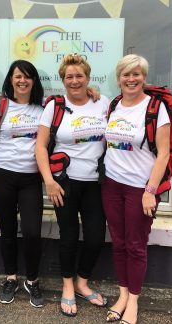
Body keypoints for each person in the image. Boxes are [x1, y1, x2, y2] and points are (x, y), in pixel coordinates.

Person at [35, 53, 109, 317]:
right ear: (63, 80)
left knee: (95, 237)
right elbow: (40, 147)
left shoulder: (104, 104)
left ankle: (82, 281)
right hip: (64, 183)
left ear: (88, 78)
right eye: (69, 77)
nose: (75, 81)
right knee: (68, 236)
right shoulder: (54, 107)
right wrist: (49, 182)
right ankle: (67, 286)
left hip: (95, 183)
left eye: (80, 76)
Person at [101, 54, 170, 324]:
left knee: (136, 245)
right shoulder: (114, 105)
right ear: (118, 79)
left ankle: (134, 301)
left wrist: (150, 190)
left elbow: (163, 154)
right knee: (118, 243)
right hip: (112, 185)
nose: (131, 79)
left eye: (136, 74)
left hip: (140, 189)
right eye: (126, 74)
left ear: (144, 77)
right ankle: (122, 294)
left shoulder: (155, 108)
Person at [0, 60, 45, 307]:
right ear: (11, 79)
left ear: (34, 81)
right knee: (7, 230)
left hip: (30, 178)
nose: (22, 81)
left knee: (32, 232)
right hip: (2, 174)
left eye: (28, 76)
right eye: (18, 76)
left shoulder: (44, 108)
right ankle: (11, 277)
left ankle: (33, 280)